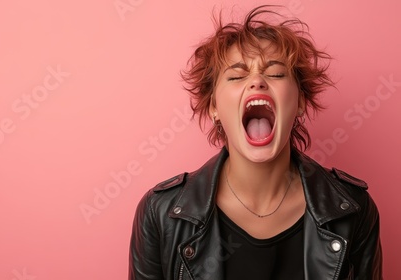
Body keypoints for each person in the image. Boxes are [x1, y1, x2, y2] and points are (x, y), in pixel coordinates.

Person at [128, 5, 382, 280]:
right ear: (214, 106)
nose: (257, 81)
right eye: (237, 76)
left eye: (275, 74)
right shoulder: (161, 214)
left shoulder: (353, 209)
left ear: (299, 102)